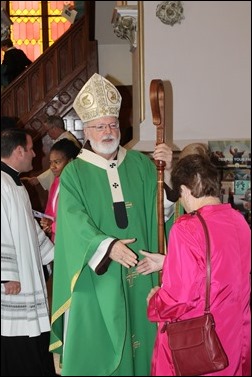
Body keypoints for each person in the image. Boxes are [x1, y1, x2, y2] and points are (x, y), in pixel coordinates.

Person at [49, 73, 175, 376]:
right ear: (86, 130)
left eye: (113, 124)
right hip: (96, 280)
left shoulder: (143, 165)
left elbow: (163, 214)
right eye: (99, 126)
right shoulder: (74, 174)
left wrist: (167, 174)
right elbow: (73, 224)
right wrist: (106, 246)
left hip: (142, 272)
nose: (108, 131)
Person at [146, 154, 251, 376]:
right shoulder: (239, 221)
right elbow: (224, 270)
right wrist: (169, 262)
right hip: (234, 332)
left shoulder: (187, 228)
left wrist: (155, 302)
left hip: (199, 340)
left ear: (184, 190)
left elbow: (180, 297)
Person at [1, 128, 56, 376]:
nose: (36, 153)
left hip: (26, 275)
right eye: (31, 148)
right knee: (14, 338)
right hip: (13, 281)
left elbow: (28, 227)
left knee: (32, 338)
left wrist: (51, 254)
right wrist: (6, 274)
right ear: (18, 151)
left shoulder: (15, 184)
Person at [137, 142, 210, 275]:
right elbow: (160, 211)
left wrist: (167, 262)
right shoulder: (176, 195)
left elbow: (206, 267)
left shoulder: (211, 212)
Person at [23, 115, 82, 191]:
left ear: (54, 128)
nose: (48, 133)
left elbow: (61, 167)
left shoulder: (67, 142)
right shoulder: (65, 139)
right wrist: (38, 179)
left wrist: (38, 179)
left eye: (48, 130)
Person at [40, 139, 81, 242]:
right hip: (57, 237)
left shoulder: (78, 184)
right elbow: (50, 209)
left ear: (70, 161)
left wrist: (53, 226)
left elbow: (75, 218)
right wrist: (47, 221)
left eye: (57, 162)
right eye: (51, 162)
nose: (52, 167)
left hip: (72, 238)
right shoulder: (57, 181)